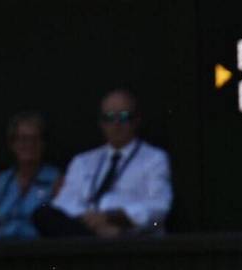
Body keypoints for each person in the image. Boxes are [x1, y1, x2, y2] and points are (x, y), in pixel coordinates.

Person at [33, 89, 171, 238]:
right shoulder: (83, 161)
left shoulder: (154, 159)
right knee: (44, 213)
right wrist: (92, 219)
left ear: (136, 121)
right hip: (85, 231)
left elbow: (159, 207)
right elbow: (64, 203)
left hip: (129, 236)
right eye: (109, 118)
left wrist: (110, 217)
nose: (116, 124)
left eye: (124, 117)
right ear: (101, 123)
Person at [0, 112, 60, 241]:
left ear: (43, 144)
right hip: (1, 249)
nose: (29, 144)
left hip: (38, 249)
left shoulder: (56, 181)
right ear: (12, 144)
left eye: (34, 139)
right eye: (23, 139)